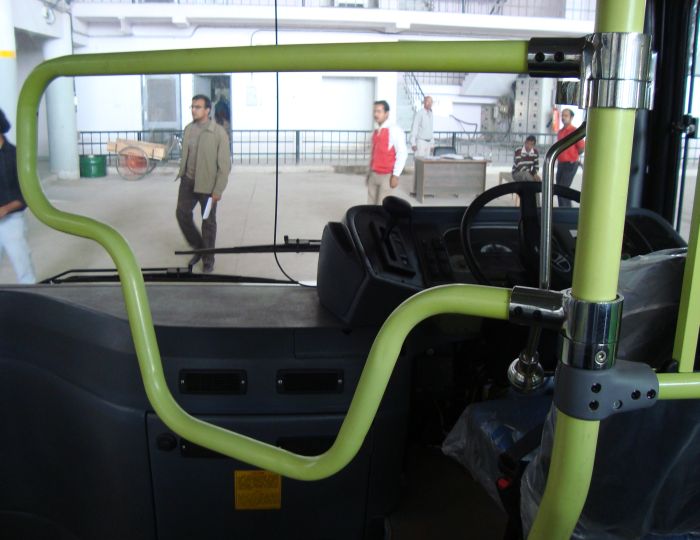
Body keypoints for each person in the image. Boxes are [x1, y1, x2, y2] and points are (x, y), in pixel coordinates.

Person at [176, 95, 231, 273]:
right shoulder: (188, 129)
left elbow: (224, 166)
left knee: (208, 222)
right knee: (182, 214)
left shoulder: (218, 133)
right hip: (188, 182)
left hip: (208, 186)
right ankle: (199, 247)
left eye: (198, 107)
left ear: (207, 110)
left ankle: (208, 259)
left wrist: (218, 190)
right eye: (192, 107)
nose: (194, 110)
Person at [0, 109, 37, 284]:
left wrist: (5, 209)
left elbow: (27, 194)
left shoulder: (16, 156)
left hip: (12, 221)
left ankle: (31, 294)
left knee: (23, 268)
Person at [367, 100, 408, 205]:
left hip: (387, 176)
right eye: (374, 111)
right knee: (370, 205)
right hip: (374, 174)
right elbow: (373, 154)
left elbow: (402, 153)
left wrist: (396, 175)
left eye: (379, 111)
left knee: (383, 206)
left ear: (386, 113)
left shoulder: (394, 130)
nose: (376, 114)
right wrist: (369, 173)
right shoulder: (376, 131)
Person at [555, 108, 585, 207]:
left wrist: (573, 156)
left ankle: (566, 210)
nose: (563, 117)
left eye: (566, 115)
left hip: (570, 164)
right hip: (561, 164)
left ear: (571, 117)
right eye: (562, 115)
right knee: (559, 189)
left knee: (562, 189)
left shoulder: (574, 131)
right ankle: (563, 209)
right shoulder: (560, 132)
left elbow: (581, 147)